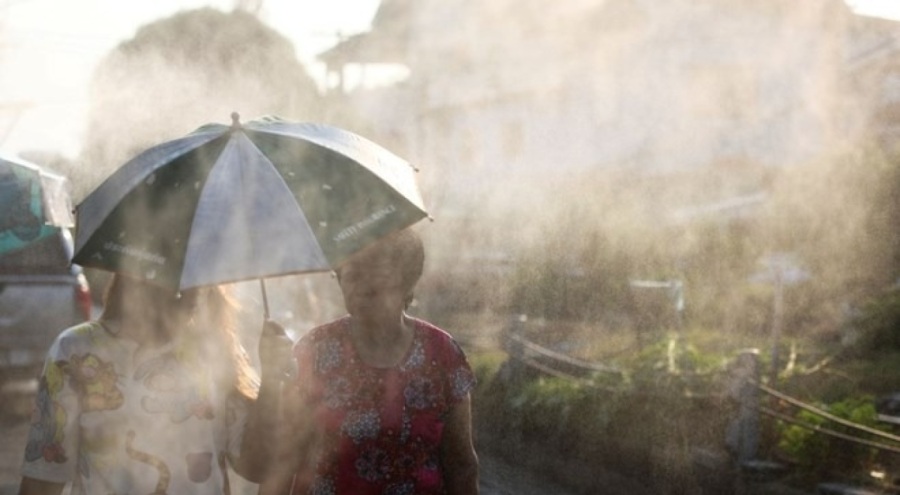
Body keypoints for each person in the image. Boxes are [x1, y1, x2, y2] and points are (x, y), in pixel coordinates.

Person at [17, 274, 286, 495]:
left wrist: (272, 381)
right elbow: (42, 480)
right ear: (138, 275)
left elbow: (255, 467)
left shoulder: (212, 351)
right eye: (178, 278)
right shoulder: (76, 350)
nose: (193, 291)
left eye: (196, 277)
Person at [261, 229, 480, 495]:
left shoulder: (442, 354)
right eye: (352, 273)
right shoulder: (315, 350)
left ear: (405, 282)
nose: (361, 285)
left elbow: (461, 465)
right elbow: (285, 460)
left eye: (376, 273)